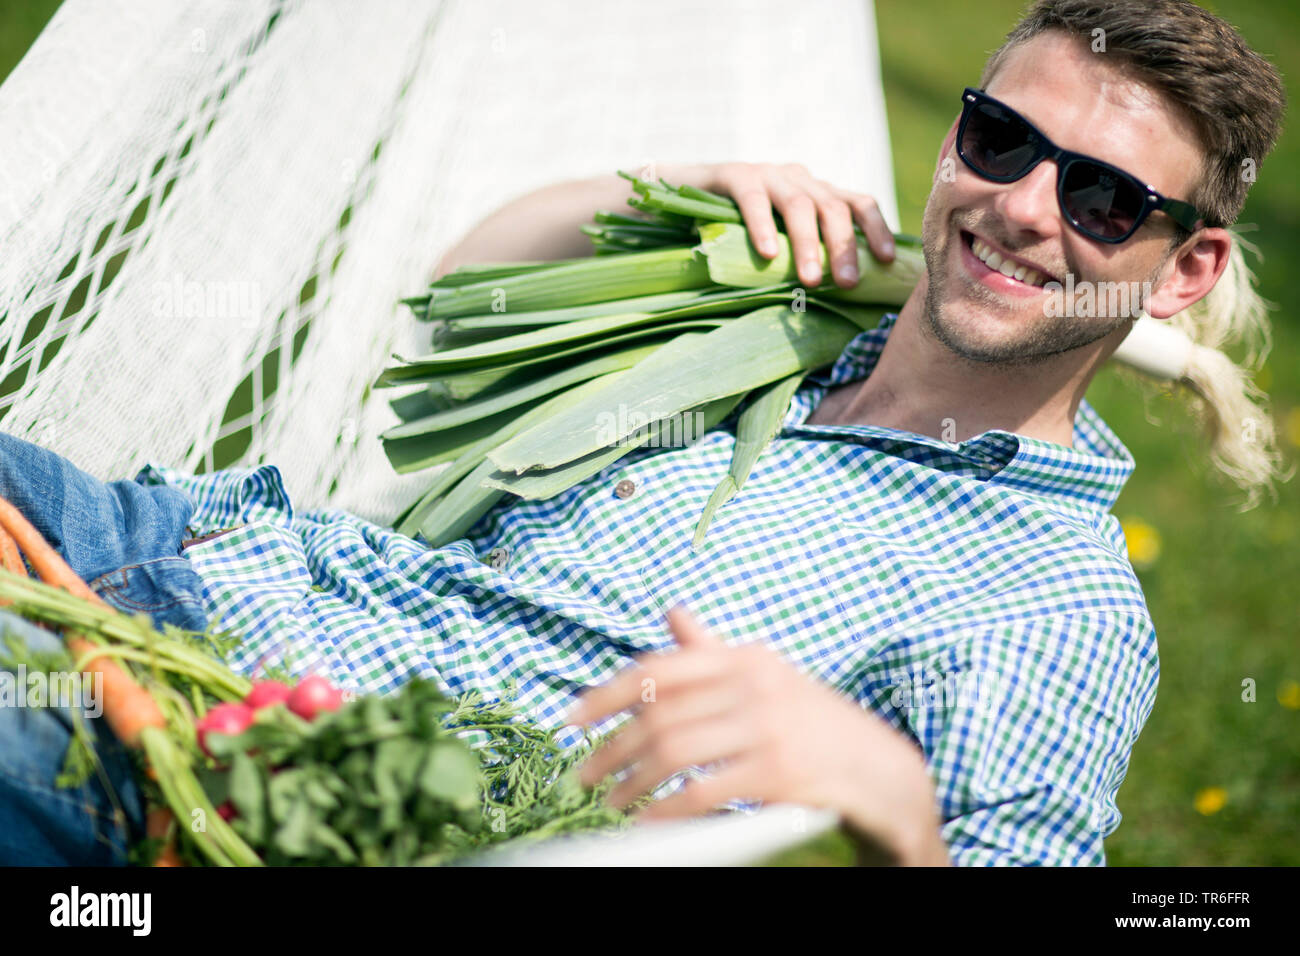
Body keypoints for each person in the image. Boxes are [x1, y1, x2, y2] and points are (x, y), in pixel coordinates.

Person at [0, 0, 1284, 866]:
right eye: (999, 140)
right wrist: (679, 195)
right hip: (168, 540)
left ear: (1184, 269)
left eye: (1104, 199)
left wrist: (889, 795)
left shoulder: (1048, 605)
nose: (1018, 207)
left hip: (225, 744)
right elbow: (466, 297)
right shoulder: (780, 323)